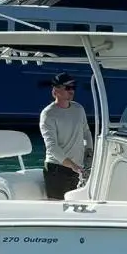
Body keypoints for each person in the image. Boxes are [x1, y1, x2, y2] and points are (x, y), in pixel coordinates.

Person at [39, 72, 90, 200]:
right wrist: (73, 165)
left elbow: (86, 132)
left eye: (73, 87)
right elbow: (52, 147)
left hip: (77, 170)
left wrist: (89, 153)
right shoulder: (48, 114)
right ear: (55, 91)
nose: (71, 91)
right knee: (57, 211)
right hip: (57, 170)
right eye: (67, 88)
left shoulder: (79, 109)